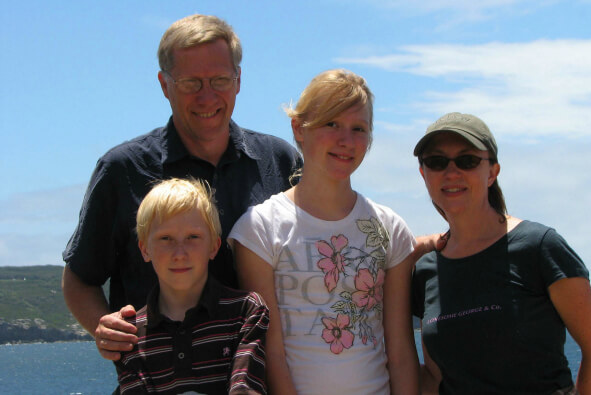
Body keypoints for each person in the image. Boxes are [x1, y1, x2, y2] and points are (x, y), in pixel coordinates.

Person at [61, 14, 301, 362]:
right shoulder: (123, 169)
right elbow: (79, 278)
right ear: (164, 84)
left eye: (219, 80)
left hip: (266, 380)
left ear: (238, 81)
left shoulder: (279, 161)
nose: (207, 97)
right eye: (191, 83)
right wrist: (105, 327)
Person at [228, 69, 419, 394]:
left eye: (358, 129)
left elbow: (400, 351)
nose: (346, 140)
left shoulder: (391, 230)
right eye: (331, 123)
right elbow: (271, 354)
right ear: (298, 128)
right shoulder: (259, 229)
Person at [412, 112, 591, 394]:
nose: (451, 172)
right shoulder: (425, 269)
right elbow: (435, 376)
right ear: (424, 173)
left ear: (492, 172)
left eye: (467, 160)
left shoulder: (539, 246)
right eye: (436, 162)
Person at [115, 178, 268, 394]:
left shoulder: (246, 311)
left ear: (214, 246)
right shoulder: (129, 334)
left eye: (193, 237)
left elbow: (245, 388)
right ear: (144, 249)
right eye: (165, 238)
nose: (180, 253)